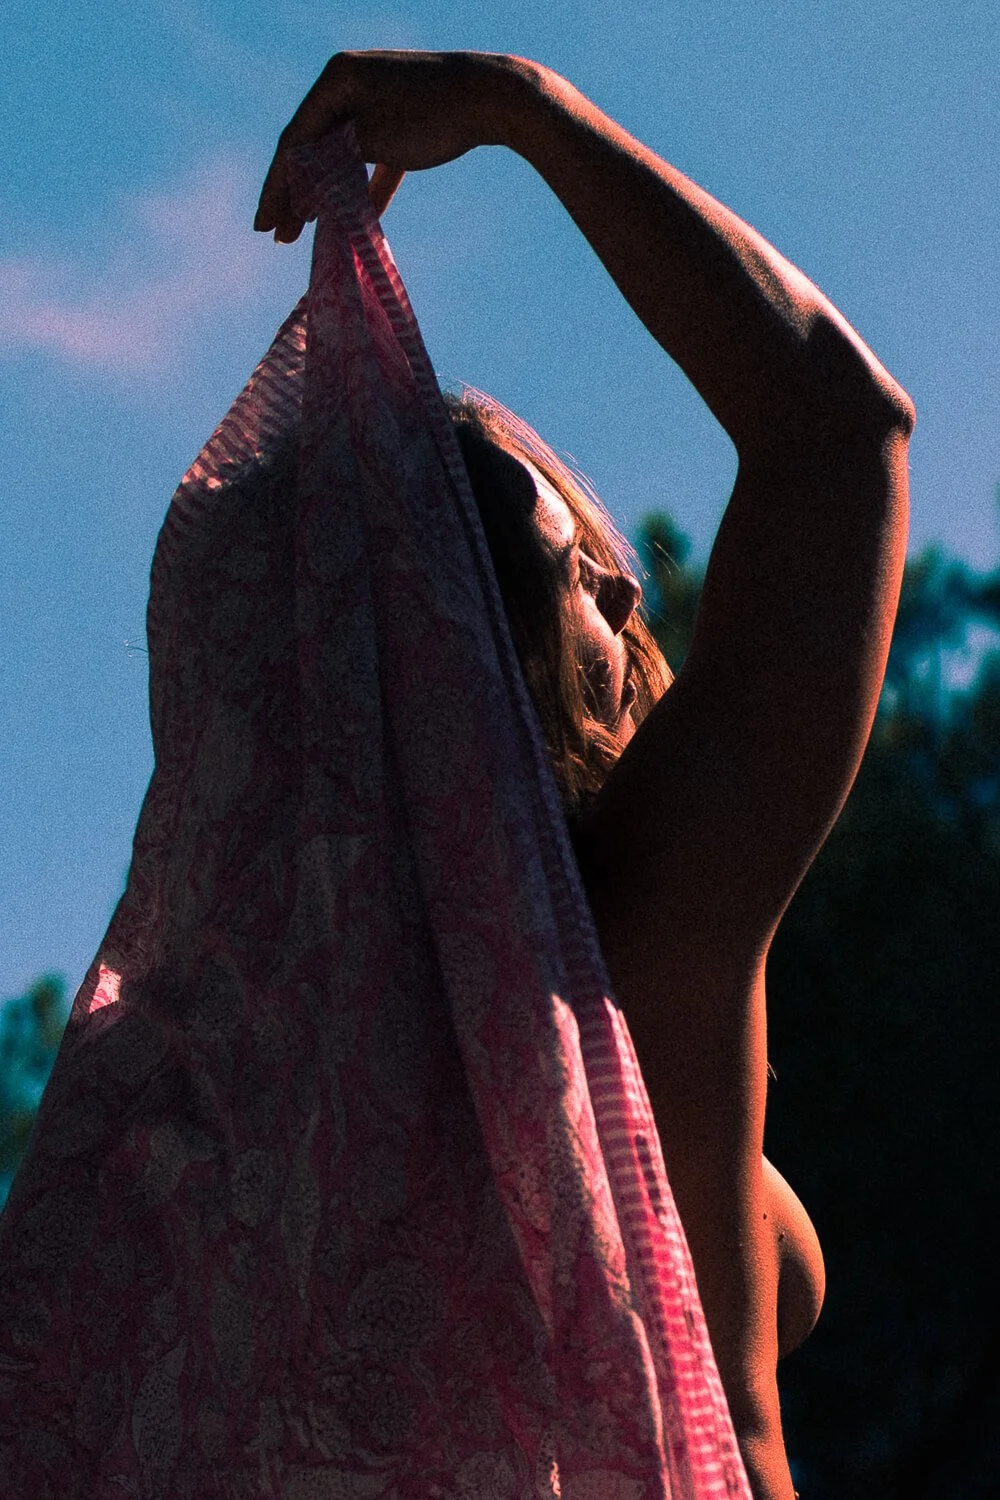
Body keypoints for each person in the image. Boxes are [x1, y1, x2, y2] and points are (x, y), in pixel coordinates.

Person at [256, 50, 914, 1500]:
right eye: (579, 584)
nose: (630, 606)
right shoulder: (621, 931)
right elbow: (839, 439)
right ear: (472, 656)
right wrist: (520, 107)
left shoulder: (252, 1077)